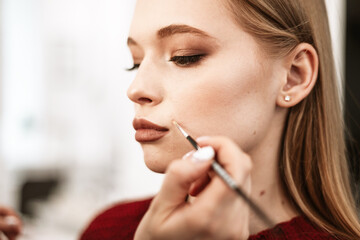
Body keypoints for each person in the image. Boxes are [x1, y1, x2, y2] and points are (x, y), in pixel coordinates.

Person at [80, 0, 360, 239]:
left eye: (184, 57)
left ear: (293, 77)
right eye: (137, 62)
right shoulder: (106, 229)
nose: (136, 89)